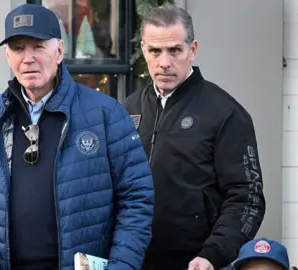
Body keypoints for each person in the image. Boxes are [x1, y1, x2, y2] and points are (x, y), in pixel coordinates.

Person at [0, 4, 154, 270]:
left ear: (59, 51)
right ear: (7, 55)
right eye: (18, 48)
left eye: (38, 46)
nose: (28, 58)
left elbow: (136, 198)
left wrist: (121, 265)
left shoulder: (106, 114)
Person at [123, 3, 266, 270]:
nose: (164, 62)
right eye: (155, 51)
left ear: (193, 50)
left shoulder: (226, 113)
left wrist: (214, 253)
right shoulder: (128, 109)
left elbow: (248, 198)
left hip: (196, 263)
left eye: (174, 50)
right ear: (144, 50)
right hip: (132, 260)